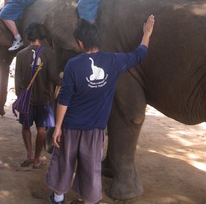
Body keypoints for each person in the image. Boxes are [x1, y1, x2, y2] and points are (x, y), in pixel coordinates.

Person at [45, 14, 155, 204]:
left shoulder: (73, 65)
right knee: (91, 167)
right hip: (95, 130)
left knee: (64, 161)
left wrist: (57, 128)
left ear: (80, 42)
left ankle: (58, 197)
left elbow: (64, 99)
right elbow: (139, 54)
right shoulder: (113, 61)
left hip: (70, 127)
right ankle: (90, 200)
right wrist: (147, 33)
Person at [15, 22, 61, 169]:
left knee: (26, 126)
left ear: (28, 36)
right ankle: (36, 159)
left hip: (26, 99)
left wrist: (20, 96)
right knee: (42, 130)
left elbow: (18, 79)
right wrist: (64, 80)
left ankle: (28, 154)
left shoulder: (21, 54)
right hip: (45, 99)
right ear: (42, 36)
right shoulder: (49, 54)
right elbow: (54, 77)